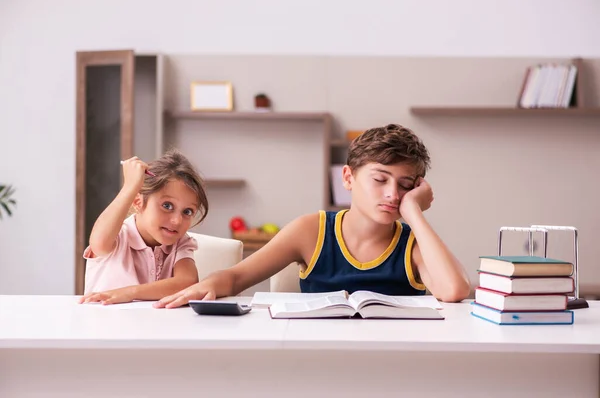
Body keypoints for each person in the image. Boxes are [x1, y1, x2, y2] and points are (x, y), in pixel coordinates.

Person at [155, 124, 470, 309]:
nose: (392, 194)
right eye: (379, 179)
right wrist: (205, 286)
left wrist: (413, 213)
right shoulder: (312, 230)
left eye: (404, 186)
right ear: (348, 178)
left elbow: (454, 291)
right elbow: (238, 277)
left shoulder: (414, 243)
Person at [79, 149, 208, 305]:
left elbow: (187, 282)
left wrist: (130, 292)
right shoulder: (119, 234)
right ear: (138, 202)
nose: (176, 221)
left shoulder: (181, 242)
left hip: (154, 328)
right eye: (167, 206)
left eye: (187, 211)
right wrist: (130, 187)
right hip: (104, 326)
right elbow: (99, 244)